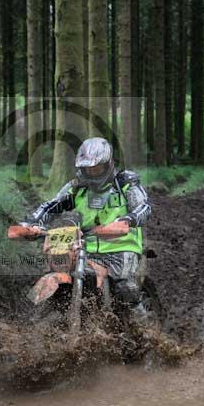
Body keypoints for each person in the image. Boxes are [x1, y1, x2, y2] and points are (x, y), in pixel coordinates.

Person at [22, 137, 151, 321]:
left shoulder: (125, 183)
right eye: (87, 169)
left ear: (108, 164)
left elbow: (144, 207)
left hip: (122, 247)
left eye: (96, 168)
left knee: (123, 287)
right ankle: (32, 323)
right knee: (57, 273)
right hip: (84, 246)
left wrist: (129, 219)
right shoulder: (77, 188)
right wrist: (33, 222)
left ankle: (146, 328)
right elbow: (52, 205)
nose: (92, 173)